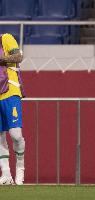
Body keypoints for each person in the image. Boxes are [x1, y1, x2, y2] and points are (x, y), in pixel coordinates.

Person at [0, 33, 25, 185]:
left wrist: (1, 60)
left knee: (15, 135)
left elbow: (18, 57)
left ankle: (20, 166)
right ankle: (6, 174)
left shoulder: (5, 38)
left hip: (10, 91)